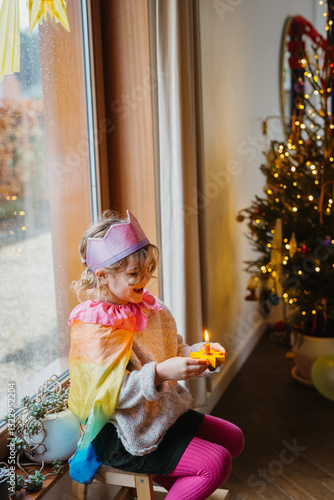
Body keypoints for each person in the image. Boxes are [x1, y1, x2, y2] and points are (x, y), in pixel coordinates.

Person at [68, 210, 244, 500]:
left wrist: (199, 355)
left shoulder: (150, 306)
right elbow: (106, 396)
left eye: (148, 268)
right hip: (121, 434)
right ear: (102, 276)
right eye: (133, 275)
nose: (145, 279)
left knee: (233, 439)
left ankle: (179, 481)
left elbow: (175, 351)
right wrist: (161, 374)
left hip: (161, 415)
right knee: (215, 463)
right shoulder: (96, 329)